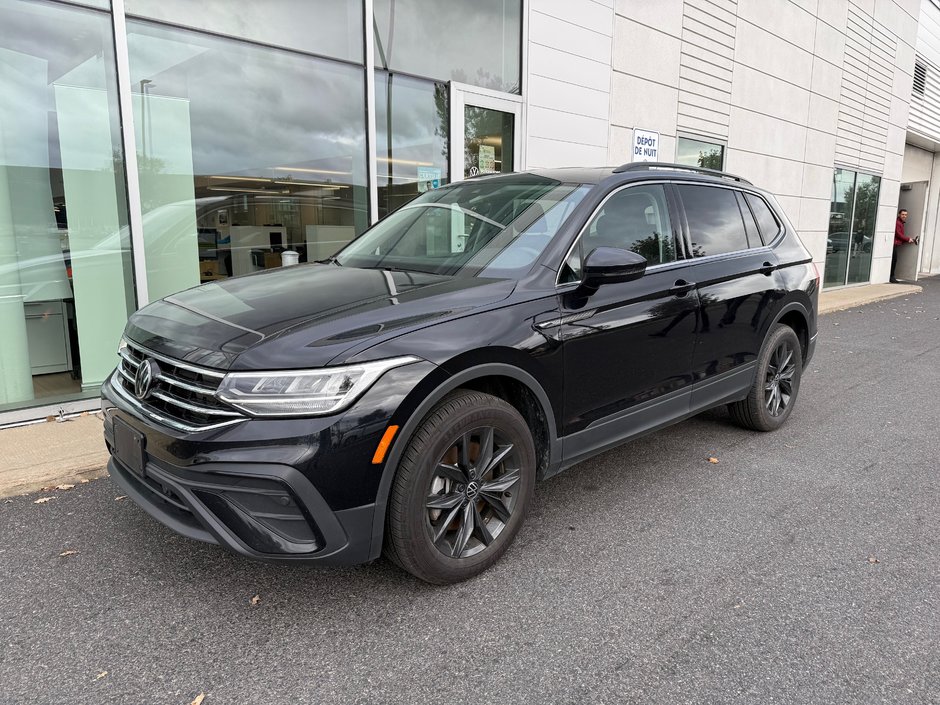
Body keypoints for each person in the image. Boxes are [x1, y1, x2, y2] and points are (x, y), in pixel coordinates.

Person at [891, 209, 918, 283]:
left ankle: (891, 276)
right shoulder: (897, 223)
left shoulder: (901, 223)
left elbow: (900, 235)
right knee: (893, 260)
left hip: (896, 244)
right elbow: (898, 234)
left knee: (893, 260)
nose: (904, 216)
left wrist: (909, 240)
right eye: (903, 214)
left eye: (905, 215)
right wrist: (908, 239)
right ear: (899, 214)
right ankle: (891, 277)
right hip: (893, 244)